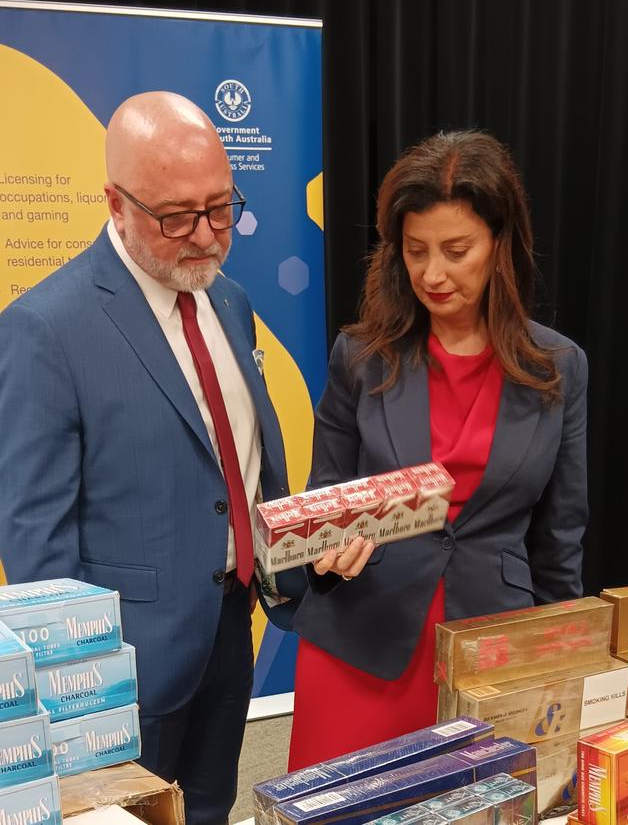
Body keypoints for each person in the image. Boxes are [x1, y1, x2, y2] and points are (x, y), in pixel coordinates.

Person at [0, 91, 300, 825]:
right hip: (119, 676)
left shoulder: (227, 299)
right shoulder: (44, 328)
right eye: (176, 217)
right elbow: (36, 540)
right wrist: (78, 691)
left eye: (221, 207)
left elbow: (241, 463)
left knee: (207, 810)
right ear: (116, 202)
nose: (205, 235)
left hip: (230, 636)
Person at [288, 129, 588, 769]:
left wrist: (566, 658)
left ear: (500, 245)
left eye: (457, 250)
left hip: (492, 649)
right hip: (361, 643)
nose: (433, 273)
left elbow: (560, 537)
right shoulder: (362, 358)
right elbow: (323, 500)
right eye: (415, 250)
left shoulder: (559, 367)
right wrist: (324, 553)